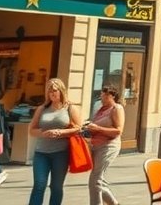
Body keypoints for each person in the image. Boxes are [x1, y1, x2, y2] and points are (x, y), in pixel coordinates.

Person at [29, 77, 82, 205]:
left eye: (55, 90)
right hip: (41, 153)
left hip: (61, 153)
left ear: (61, 91)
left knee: (56, 187)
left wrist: (60, 132)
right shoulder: (42, 109)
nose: (52, 93)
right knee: (39, 185)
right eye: (49, 91)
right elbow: (31, 130)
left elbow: (78, 128)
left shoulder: (70, 108)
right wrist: (43, 133)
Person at [86, 84, 124, 205]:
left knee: (94, 181)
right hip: (95, 146)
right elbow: (95, 128)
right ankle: (114, 203)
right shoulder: (99, 109)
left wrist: (97, 128)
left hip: (109, 146)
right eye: (101, 95)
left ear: (112, 96)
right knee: (99, 180)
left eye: (104, 95)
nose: (101, 97)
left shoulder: (116, 108)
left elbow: (118, 131)